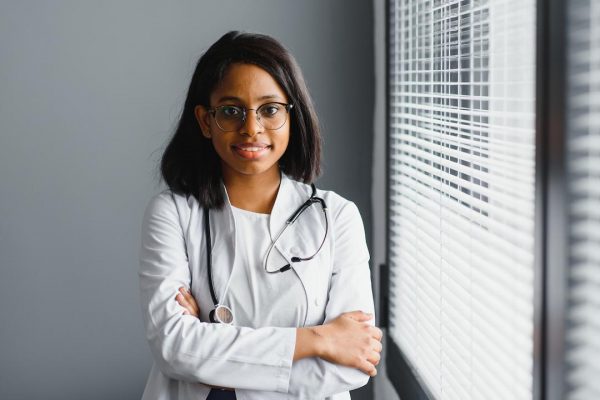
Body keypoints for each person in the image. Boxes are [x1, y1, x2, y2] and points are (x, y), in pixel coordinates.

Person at [138, 31, 382, 400]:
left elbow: (351, 362)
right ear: (205, 121)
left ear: (291, 115)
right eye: (231, 111)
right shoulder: (172, 213)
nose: (251, 128)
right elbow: (174, 349)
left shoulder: (338, 217)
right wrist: (318, 339)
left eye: (269, 109)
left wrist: (215, 363)